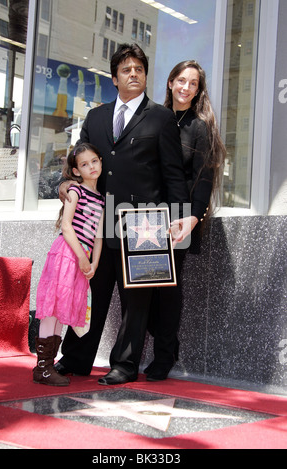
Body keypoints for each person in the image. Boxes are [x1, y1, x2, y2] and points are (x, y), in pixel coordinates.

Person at [55, 43, 191, 386]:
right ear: (114, 78)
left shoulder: (161, 117)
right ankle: (75, 358)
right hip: (96, 223)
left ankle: (125, 365)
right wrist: (66, 184)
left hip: (145, 224)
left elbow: (173, 174)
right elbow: (79, 162)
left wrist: (181, 222)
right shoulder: (96, 117)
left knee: (137, 299)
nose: (134, 74)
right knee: (93, 292)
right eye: (127, 69)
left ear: (145, 76)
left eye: (139, 69)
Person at [145, 60, 226, 381]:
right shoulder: (155, 119)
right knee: (143, 286)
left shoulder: (200, 126)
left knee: (167, 288)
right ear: (169, 83)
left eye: (193, 83)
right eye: (181, 80)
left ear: (198, 90)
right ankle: (163, 342)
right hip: (147, 218)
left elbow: (204, 177)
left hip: (180, 220)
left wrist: (194, 217)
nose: (185, 88)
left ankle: (165, 354)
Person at [33, 143, 104, 386]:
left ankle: (48, 365)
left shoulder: (101, 199)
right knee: (52, 308)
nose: (91, 167)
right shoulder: (76, 192)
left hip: (82, 258)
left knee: (61, 310)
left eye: (94, 161)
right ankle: (42, 367)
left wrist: (93, 262)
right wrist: (83, 258)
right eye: (84, 164)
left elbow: (98, 235)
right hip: (67, 253)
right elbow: (66, 226)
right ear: (76, 171)